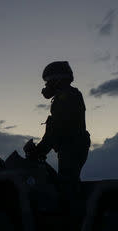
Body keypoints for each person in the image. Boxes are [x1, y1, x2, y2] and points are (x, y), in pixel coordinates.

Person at [32, 61, 91, 215]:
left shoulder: (67, 97)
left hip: (72, 148)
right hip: (71, 147)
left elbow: (56, 130)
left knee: (67, 187)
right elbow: (55, 130)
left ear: (57, 80)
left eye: (48, 82)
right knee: (68, 183)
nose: (46, 86)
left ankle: (74, 226)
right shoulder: (66, 96)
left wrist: (39, 150)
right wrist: (41, 149)